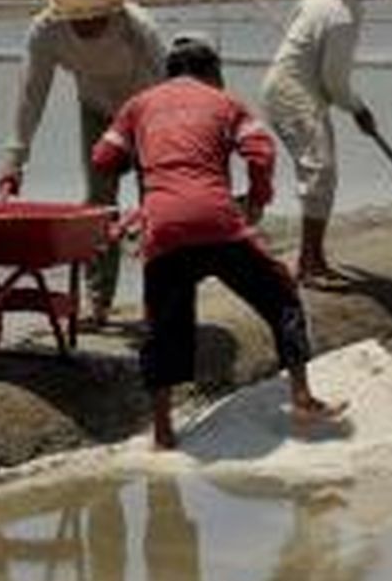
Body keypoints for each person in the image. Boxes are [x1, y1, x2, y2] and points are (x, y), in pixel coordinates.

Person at [91, 33, 344, 450]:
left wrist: (135, 160)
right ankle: (301, 397)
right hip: (220, 222)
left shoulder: (138, 105)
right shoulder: (226, 103)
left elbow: (103, 158)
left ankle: (163, 432)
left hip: (165, 228)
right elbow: (260, 150)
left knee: (164, 330)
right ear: (211, 72)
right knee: (282, 296)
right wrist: (257, 200)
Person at [0, 0, 167, 325]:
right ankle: (99, 302)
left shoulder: (137, 25)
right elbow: (32, 95)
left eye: (95, 14)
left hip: (148, 112)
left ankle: (159, 301)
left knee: (156, 206)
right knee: (98, 204)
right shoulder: (46, 30)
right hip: (96, 109)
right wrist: (16, 158)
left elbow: (169, 87)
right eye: (81, 14)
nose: (89, 21)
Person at [262, 0, 392, 286]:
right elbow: (334, 80)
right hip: (294, 94)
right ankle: (310, 264)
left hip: (293, 90)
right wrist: (359, 110)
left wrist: (350, 106)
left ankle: (314, 259)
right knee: (320, 173)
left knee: (320, 174)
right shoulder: (342, 12)